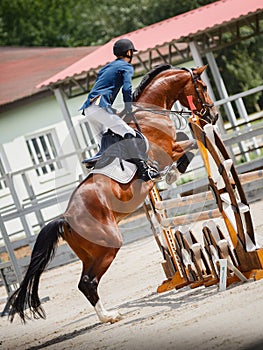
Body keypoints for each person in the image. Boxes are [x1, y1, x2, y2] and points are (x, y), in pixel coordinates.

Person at [80, 38, 161, 182]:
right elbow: (127, 88)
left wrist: (112, 110)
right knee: (129, 133)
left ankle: (110, 175)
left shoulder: (106, 67)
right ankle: (144, 171)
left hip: (89, 109)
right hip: (100, 106)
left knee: (105, 145)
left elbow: (102, 87)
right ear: (129, 52)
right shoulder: (126, 66)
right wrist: (128, 107)